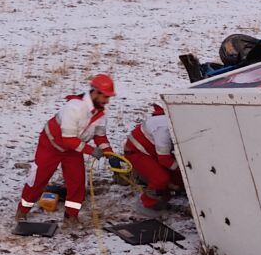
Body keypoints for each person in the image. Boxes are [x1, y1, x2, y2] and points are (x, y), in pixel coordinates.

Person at [16, 74, 117, 223]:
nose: (107, 101)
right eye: (105, 97)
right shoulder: (74, 107)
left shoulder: (101, 115)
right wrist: (91, 151)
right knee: (38, 179)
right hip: (51, 145)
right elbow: (68, 139)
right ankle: (22, 210)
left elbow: (100, 137)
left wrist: (111, 156)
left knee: (77, 183)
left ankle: (71, 217)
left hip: (74, 149)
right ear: (95, 92)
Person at [124, 103, 180, 209]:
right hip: (136, 152)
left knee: (174, 176)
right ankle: (148, 203)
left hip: (150, 149)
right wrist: (181, 170)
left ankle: (164, 194)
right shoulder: (163, 129)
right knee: (161, 178)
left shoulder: (173, 122)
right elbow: (164, 159)